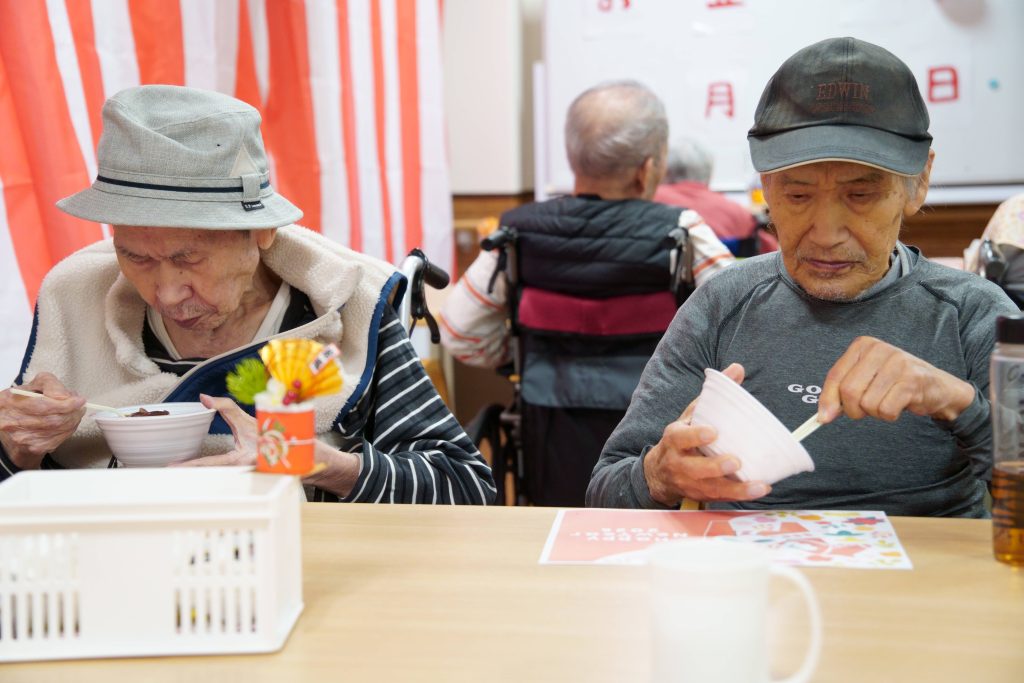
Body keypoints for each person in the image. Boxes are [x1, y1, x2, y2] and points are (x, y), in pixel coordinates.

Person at [0, 85, 495, 505]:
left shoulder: (349, 304)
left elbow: (466, 486)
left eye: (189, 259)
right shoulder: (76, 297)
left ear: (262, 233)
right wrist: (16, 450)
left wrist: (320, 464)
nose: (166, 294)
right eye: (136, 258)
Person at [587, 37, 1018, 517]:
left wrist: (959, 403)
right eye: (797, 196)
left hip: (928, 564)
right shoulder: (722, 305)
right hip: (752, 563)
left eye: (860, 196)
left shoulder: (974, 315)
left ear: (918, 183)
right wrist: (659, 475)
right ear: (766, 186)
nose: (826, 235)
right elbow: (605, 490)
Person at [440, 80, 735, 506]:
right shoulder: (681, 232)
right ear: (648, 167)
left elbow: (459, 330)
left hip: (549, 443)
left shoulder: (520, 231)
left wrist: (525, 359)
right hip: (654, 457)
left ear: (572, 156)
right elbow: (742, 320)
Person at [654, 138, 778, 253]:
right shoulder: (738, 213)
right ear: (708, 173)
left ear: (665, 171)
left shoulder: (650, 201)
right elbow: (770, 250)